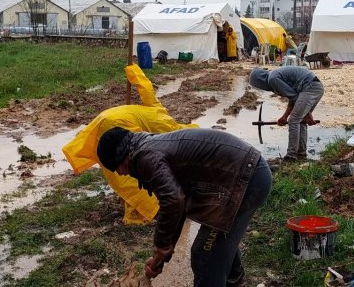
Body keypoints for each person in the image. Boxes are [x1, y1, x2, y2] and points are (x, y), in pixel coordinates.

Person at [97, 128, 272, 286]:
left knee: (204, 254)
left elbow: (173, 200)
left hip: (247, 179)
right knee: (215, 243)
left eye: (116, 168)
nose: (120, 173)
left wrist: (161, 246)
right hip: (247, 174)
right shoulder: (147, 146)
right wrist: (163, 255)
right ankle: (235, 280)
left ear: (121, 157)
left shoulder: (145, 157)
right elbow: (178, 208)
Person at [62, 64, 197, 224]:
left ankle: (137, 206)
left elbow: (147, 90)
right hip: (114, 124)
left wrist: (134, 71)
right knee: (130, 169)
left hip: (109, 117)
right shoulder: (167, 128)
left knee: (124, 170)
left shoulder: (158, 110)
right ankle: (142, 213)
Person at [249, 66, 323, 161]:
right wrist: (284, 117)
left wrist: (308, 115)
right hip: (315, 87)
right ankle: (301, 155)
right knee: (301, 121)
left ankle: (291, 156)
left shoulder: (273, 79)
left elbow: (294, 97)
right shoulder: (274, 75)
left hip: (310, 87)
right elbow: (293, 96)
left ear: (259, 81)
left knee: (293, 120)